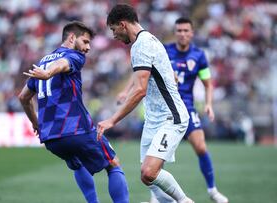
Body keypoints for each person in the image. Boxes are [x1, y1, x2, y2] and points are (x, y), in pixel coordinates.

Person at [19, 21, 129, 203]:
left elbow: (23, 97)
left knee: (77, 164)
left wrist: (35, 122)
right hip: (76, 129)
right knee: (113, 163)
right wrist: (48, 74)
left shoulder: (43, 61)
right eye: (85, 42)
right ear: (72, 38)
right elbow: (63, 64)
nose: (87, 48)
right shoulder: (74, 56)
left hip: (51, 138)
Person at [97, 4, 193, 203]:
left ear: (123, 25)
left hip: (171, 117)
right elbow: (154, 75)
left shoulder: (142, 45)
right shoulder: (147, 40)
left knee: (149, 172)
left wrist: (112, 120)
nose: (114, 36)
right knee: (148, 178)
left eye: (114, 30)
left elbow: (140, 90)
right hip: (154, 119)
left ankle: (185, 201)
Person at [147, 17, 228, 203]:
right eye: (179, 30)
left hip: (187, 107)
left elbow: (208, 83)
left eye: (186, 31)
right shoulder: (165, 51)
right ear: (175, 33)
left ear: (191, 33)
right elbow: (144, 72)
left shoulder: (199, 56)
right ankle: (156, 195)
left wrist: (208, 104)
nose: (182, 34)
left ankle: (213, 190)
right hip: (165, 107)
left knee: (200, 146)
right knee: (159, 154)